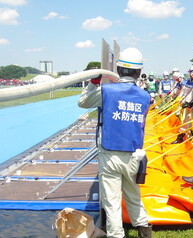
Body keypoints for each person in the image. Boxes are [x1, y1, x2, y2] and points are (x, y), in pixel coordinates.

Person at [78, 47, 152, 238]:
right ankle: (144, 230)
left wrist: (93, 84)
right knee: (134, 197)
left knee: (111, 201)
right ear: (139, 72)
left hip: (110, 153)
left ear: (119, 69)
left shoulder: (106, 91)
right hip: (133, 155)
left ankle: (116, 235)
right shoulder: (145, 96)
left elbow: (83, 102)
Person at [171, 65, 193, 144]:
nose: (191, 74)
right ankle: (181, 137)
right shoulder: (189, 81)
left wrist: (190, 102)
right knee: (186, 121)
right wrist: (180, 99)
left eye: (191, 73)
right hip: (187, 103)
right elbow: (184, 91)